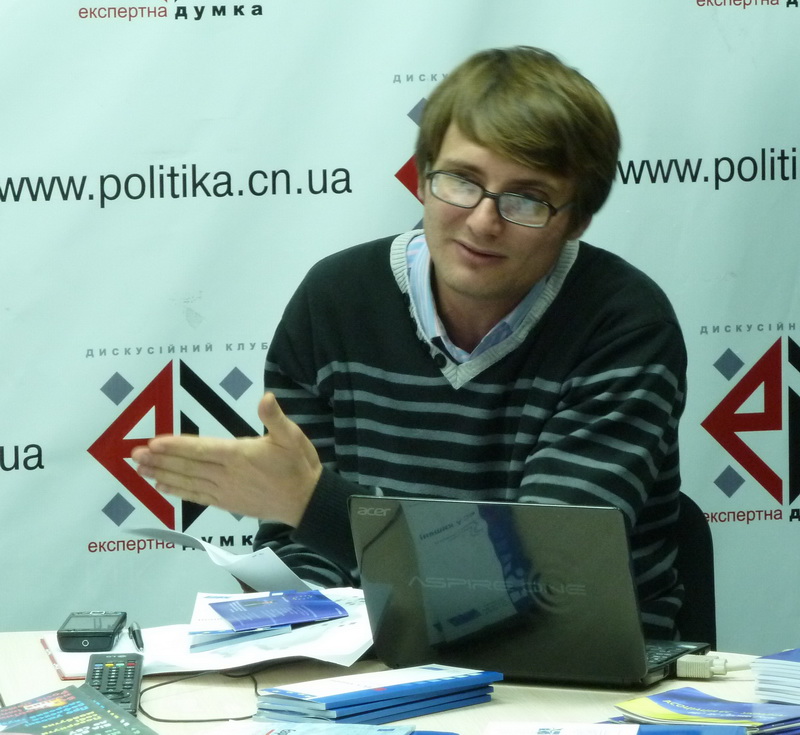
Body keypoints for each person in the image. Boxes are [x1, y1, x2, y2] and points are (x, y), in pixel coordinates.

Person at [132, 46, 687, 638]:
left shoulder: (623, 323)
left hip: (571, 667)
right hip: (377, 660)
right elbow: (302, 549)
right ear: (423, 179)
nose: (483, 221)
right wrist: (297, 623)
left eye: (526, 199)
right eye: (462, 182)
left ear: (576, 220)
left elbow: (542, 576)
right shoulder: (335, 300)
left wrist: (315, 503)